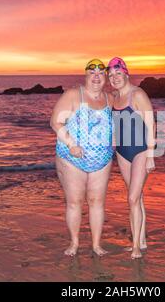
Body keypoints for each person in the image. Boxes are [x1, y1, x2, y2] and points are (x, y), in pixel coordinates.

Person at [50, 59, 114, 256]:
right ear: (86, 76)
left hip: (102, 159)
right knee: (75, 202)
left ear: (105, 78)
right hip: (72, 159)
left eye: (100, 73)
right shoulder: (72, 95)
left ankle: (96, 245)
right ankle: (74, 243)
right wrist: (71, 144)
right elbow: (55, 122)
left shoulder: (109, 99)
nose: (96, 76)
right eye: (92, 73)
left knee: (97, 202)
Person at [108, 57, 156, 259]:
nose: (115, 78)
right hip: (122, 152)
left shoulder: (137, 94)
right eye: (111, 75)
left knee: (132, 198)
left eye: (118, 73)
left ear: (126, 73)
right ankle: (141, 240)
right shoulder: (114, 97)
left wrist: (152, 155)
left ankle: (135, 245)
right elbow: (114, 124)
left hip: (141, 151)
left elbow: (152, 124)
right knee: (137, 198)